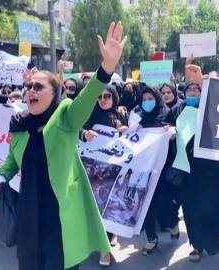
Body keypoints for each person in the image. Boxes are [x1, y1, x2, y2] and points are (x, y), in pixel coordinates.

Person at [0, 21, 127, 270]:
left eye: (38, 87)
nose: (30, 92)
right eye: (28, 87)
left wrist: (107, 68)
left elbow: (87, 96)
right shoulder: (19, 125)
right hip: (29, 212)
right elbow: (10, 163)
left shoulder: (65, 117)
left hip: (60, 215)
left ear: (55, 93)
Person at [171, 78, 219, 262]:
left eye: (197, 90)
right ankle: (196, 245)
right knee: (190, 210)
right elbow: (166, 128)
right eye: (189, 90)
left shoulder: (212, 110)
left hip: (209, 171)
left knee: (208, 207)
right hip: (186, 171)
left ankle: (211, 240)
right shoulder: (177, 111)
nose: (193, 93)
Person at [79, 83, 128, 266]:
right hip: (94, 171)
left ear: (114, 97)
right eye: (99, 97)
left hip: (115, 171)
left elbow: (132, 141)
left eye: (106, 96)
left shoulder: (120, 115)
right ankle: (102, 244)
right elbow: (76, 129)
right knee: (97, 208)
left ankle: (105, 247)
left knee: (110, 207)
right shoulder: (90, 115)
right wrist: (85, 133)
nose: (102, 100)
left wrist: (126, 130)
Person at [130, 85, 177, 255]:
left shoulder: (167, 115)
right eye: (144, 99)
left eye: (150, 99)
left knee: (165, 203)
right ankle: (151, 238)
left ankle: (172, 224)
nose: (147, 102)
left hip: (163, 171)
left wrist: (170, 133)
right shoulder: (139, 119)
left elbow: (177, 136)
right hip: (145, 171)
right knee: (146, 205)